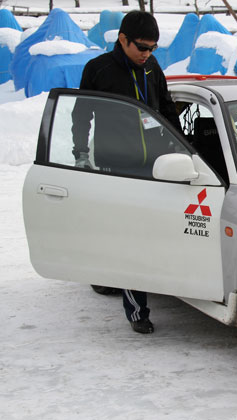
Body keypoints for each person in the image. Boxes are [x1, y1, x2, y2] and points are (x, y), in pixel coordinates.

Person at [72, 11, 182, 334]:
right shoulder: (98, 70)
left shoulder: (152, 68)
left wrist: (182, 146)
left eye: (153, 48)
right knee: (132, 234)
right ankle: (137, 309)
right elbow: (82, 116)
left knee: (156, 230)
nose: (147, 53)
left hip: (155, 164)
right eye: (142, 47)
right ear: (123, 40)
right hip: (117, 166)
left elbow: (166, 106)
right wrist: (81, 154)